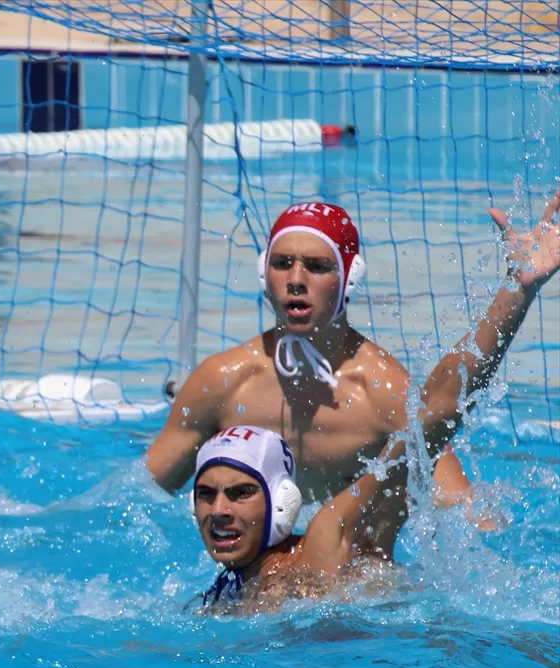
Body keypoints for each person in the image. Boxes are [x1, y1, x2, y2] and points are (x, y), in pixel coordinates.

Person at [190, 192, 559, 611]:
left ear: (281, 502)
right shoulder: (223, 594)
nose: (219, 510)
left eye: (241, 493)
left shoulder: (329, 542)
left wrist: (516, 291)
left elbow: (434, 415)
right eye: (206, 494)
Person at [147, 200, 481, 507]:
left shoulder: (385, 393)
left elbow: (466, 514)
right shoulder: (223, 382)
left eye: (317, 266)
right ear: (264, 273)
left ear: (350, 278)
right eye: (282, 264)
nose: (295, 279)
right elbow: (141, 496)